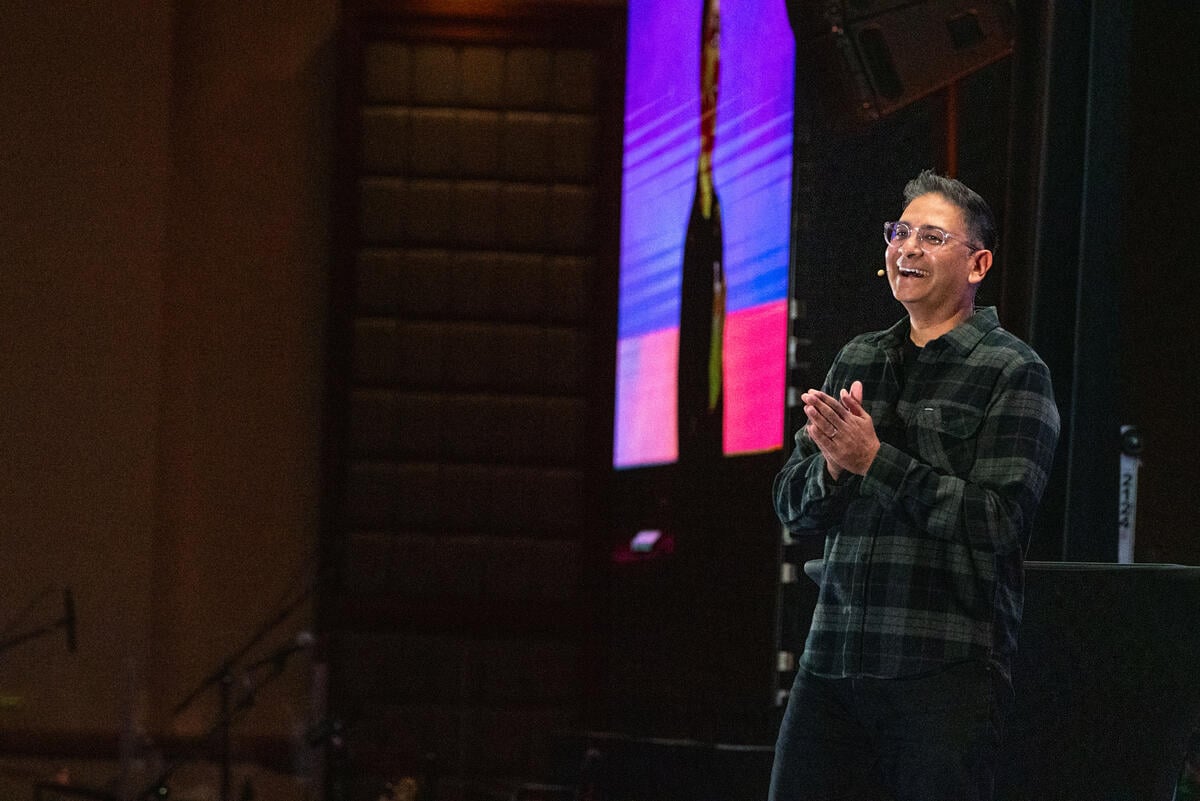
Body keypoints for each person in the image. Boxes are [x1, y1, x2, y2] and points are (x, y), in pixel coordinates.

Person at [768, 170, 1060, 801]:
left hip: (942, 672)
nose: (908, 249)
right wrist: (834, 467)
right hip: (834, 663)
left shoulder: (1013, 371)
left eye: (932, 237)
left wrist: (876, 460)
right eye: (901, 232)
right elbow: (793, 504)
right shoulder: (859, 358)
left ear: (978, 263)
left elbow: (1000, 522)